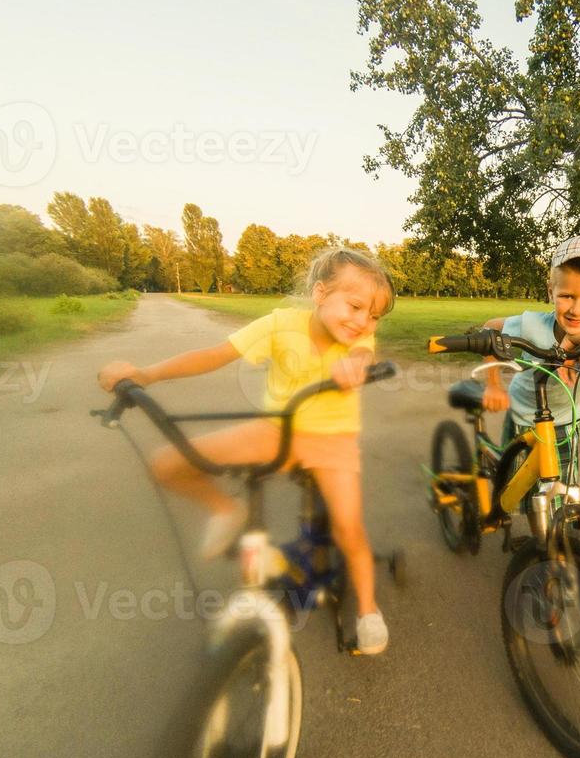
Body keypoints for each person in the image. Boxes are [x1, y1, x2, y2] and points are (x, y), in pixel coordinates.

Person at [97, 248, 396, 654]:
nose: (363, 322)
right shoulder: (279, 325)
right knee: (168, 463)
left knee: (349, 527)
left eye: (374, 315)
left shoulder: (359, 339)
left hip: (333, 440)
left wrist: (356, 365)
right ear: (321, 293)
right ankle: (227, 510)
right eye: (356, 306)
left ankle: (367, 609)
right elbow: (215, 355)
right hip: (276, 430)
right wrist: (146, 374)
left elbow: (363, 354)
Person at [480, 235, 580, 483]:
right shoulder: (532, 324)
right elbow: (490, 330)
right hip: (522, 418)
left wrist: (577, 338)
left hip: (564, 424)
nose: (576, 309)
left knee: (558, 495)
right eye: (566, 296)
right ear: (551, 291)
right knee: (519, 492)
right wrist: (493, 384)